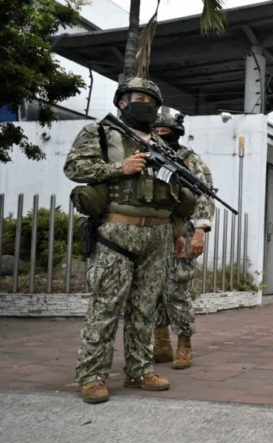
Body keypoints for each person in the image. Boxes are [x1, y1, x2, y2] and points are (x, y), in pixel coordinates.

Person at [66, 77, 190, 403]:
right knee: (106, 306)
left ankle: (140, 370)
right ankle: (92, 376)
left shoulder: (163, 145)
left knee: (145, 309)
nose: (146, 104)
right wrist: (119, 168)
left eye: (152, 100)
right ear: (122, 102)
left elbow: (175, 193)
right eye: (139, 98)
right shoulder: (101, 133)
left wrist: (178, 231)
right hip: (117, 231)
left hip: (158, 235)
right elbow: (74, 167)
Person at [151, 107, 215, 369]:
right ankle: (161, 342)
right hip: (150, 229)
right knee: (153, 287)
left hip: (180, 229)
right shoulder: (143, 153)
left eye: (164, 130)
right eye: (156, 130)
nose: (160, 133)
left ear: (176, 132)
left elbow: (204, 194)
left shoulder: (190, 159)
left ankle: (184, 343)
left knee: (177, 287)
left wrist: (199, 231)